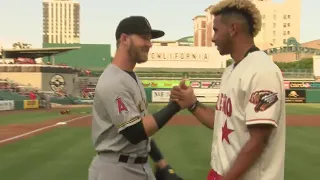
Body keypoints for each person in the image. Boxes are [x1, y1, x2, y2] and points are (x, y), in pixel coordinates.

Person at [169, 0, 286, 179]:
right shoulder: (231, 70)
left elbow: (259, 140)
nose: (213, 38)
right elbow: (223, 123)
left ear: (233, 29)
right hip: (220, 172)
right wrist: (192, 105)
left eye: (216, 30)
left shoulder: (262, 70)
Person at [88, 16, 183, 180]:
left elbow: (143, 129)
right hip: (116, 169)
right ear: (124, 39)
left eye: (150, 39)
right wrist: (176, 105)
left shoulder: (131, 77)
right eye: (144, 38)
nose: (150, 44)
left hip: (137, 165)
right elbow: (134, 132)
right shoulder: (113, 81)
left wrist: (161, 162)